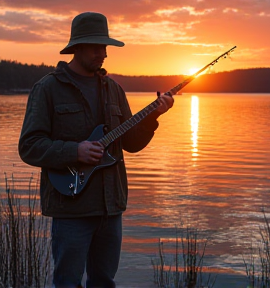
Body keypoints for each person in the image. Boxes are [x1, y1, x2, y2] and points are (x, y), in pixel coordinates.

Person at [18, 12, 173, 288]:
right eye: (96, 47)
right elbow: (29, 146)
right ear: (76, 47)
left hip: (110, 209)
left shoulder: (114, 90)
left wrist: (153, 117)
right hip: (71, 210)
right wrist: (74, 151)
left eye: (105, 47)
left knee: (103, 282)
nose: (103, 53)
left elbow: (132, 143)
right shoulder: (48, 89)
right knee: (67, 283)